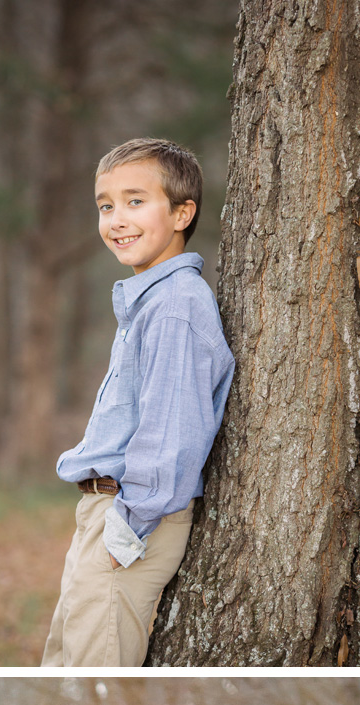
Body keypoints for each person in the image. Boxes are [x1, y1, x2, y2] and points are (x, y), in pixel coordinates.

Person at [41, 138, 235, 667]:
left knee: (94, 671)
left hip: (134, 518)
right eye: (106, 205)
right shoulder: (149, 301)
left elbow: (171, 431)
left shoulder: (175, 305)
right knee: (65, 658)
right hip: (106, 511)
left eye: (135, 201)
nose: (116, 219)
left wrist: (129, 525)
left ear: (181, 213)